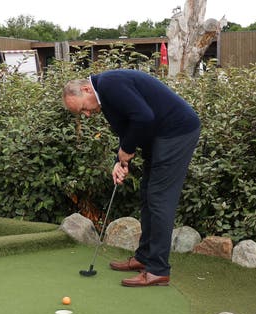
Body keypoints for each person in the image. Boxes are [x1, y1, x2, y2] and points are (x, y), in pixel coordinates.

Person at [63, 69, 200, 287]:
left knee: (159, 199)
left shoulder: (109, 85)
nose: (87, 115)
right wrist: (121, 161)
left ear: (86, 90)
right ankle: (144, 258)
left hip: (177, 132)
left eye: (83, 109)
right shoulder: (104, 95)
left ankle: (157, 270)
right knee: (148, 194)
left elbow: (144, 117)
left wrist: (126, 149)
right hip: (161, 136)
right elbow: (128, 127)